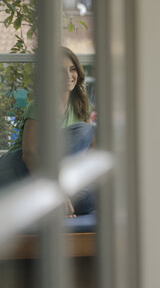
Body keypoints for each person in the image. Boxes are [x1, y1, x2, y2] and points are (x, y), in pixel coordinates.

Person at [0, 46, 95, 217]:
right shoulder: (39, 105)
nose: (68, 76)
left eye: (72, 69)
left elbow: (89, 152)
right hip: (17, 169)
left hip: (43, 178)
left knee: (93, 197)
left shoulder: (82, 106)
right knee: (84, 131)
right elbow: (29, 153)